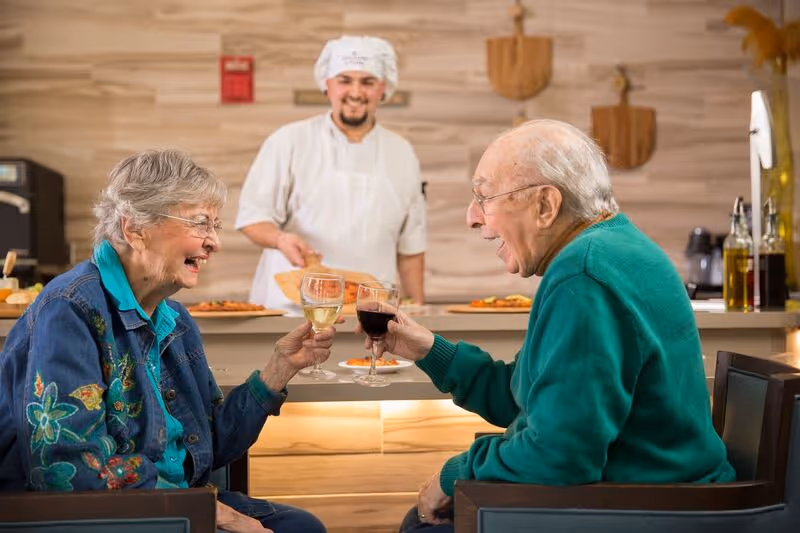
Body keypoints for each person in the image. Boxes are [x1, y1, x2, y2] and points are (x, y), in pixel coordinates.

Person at [356, 120, 736, 533]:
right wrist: (427, 349)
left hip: (647, 511)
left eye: (483, 197)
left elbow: (560, 456)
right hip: (660, 497)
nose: (471, 217)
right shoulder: (610, 247)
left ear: (545, 206)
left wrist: (456, 473)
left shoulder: (583, 276)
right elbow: (526, 398)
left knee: (422, 526)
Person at [0, 150, 332, 533]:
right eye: (200, 223)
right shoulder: (69, 310)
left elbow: (210, 448)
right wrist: (213, 512)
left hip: (178, 502)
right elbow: (70, 470)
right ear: (135, 228)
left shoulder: (174, 318)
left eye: (215, 226)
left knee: (303, 526)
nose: (214, 243)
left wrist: (280, 368)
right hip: (103, 517)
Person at [236, 35, 426, 312]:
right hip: (295, 309)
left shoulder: (402, 152)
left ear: (383, 89)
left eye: (368, 82)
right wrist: (280, 239)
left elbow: (411, 247)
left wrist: (417, 312)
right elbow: (253, 218)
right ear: (327, 85)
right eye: (345, 80)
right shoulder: (289, 141)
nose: (356, 92)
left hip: (372, 314)